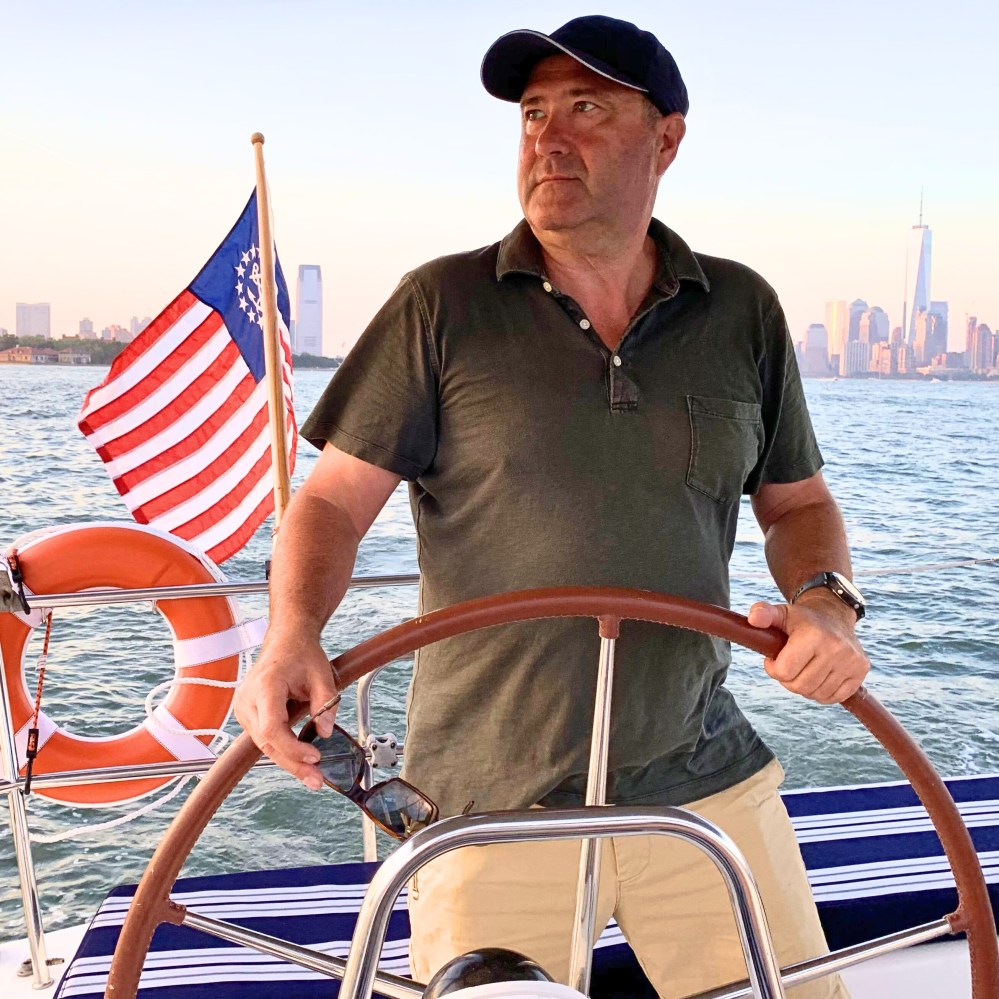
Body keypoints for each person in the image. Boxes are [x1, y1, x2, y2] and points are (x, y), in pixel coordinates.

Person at [234, 15, 869, 998]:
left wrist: (825, 600)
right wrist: (290, 633)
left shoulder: (742, 311)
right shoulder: (438, 305)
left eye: (586, 107)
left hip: (700, 773)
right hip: (485, 795)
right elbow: (329, 504)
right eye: (532, 114)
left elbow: (798, 503)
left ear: (667, 139)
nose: (547, 137)